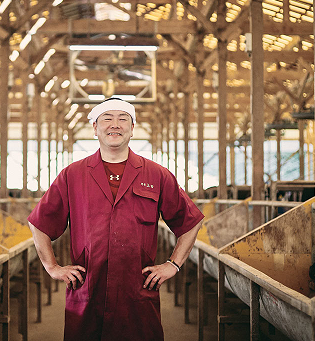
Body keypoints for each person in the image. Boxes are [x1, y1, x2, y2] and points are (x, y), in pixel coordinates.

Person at [27, 97, 204, 341]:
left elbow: (190, 221)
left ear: (132, 129)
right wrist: (52, 267)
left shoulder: (157, 174)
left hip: (137, 292)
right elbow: (39, 222)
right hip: (88, 290)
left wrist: (173, 264)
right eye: (107, 119)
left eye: (123, 119)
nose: (115, 125)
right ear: (95, 128)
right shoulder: (72, 175)